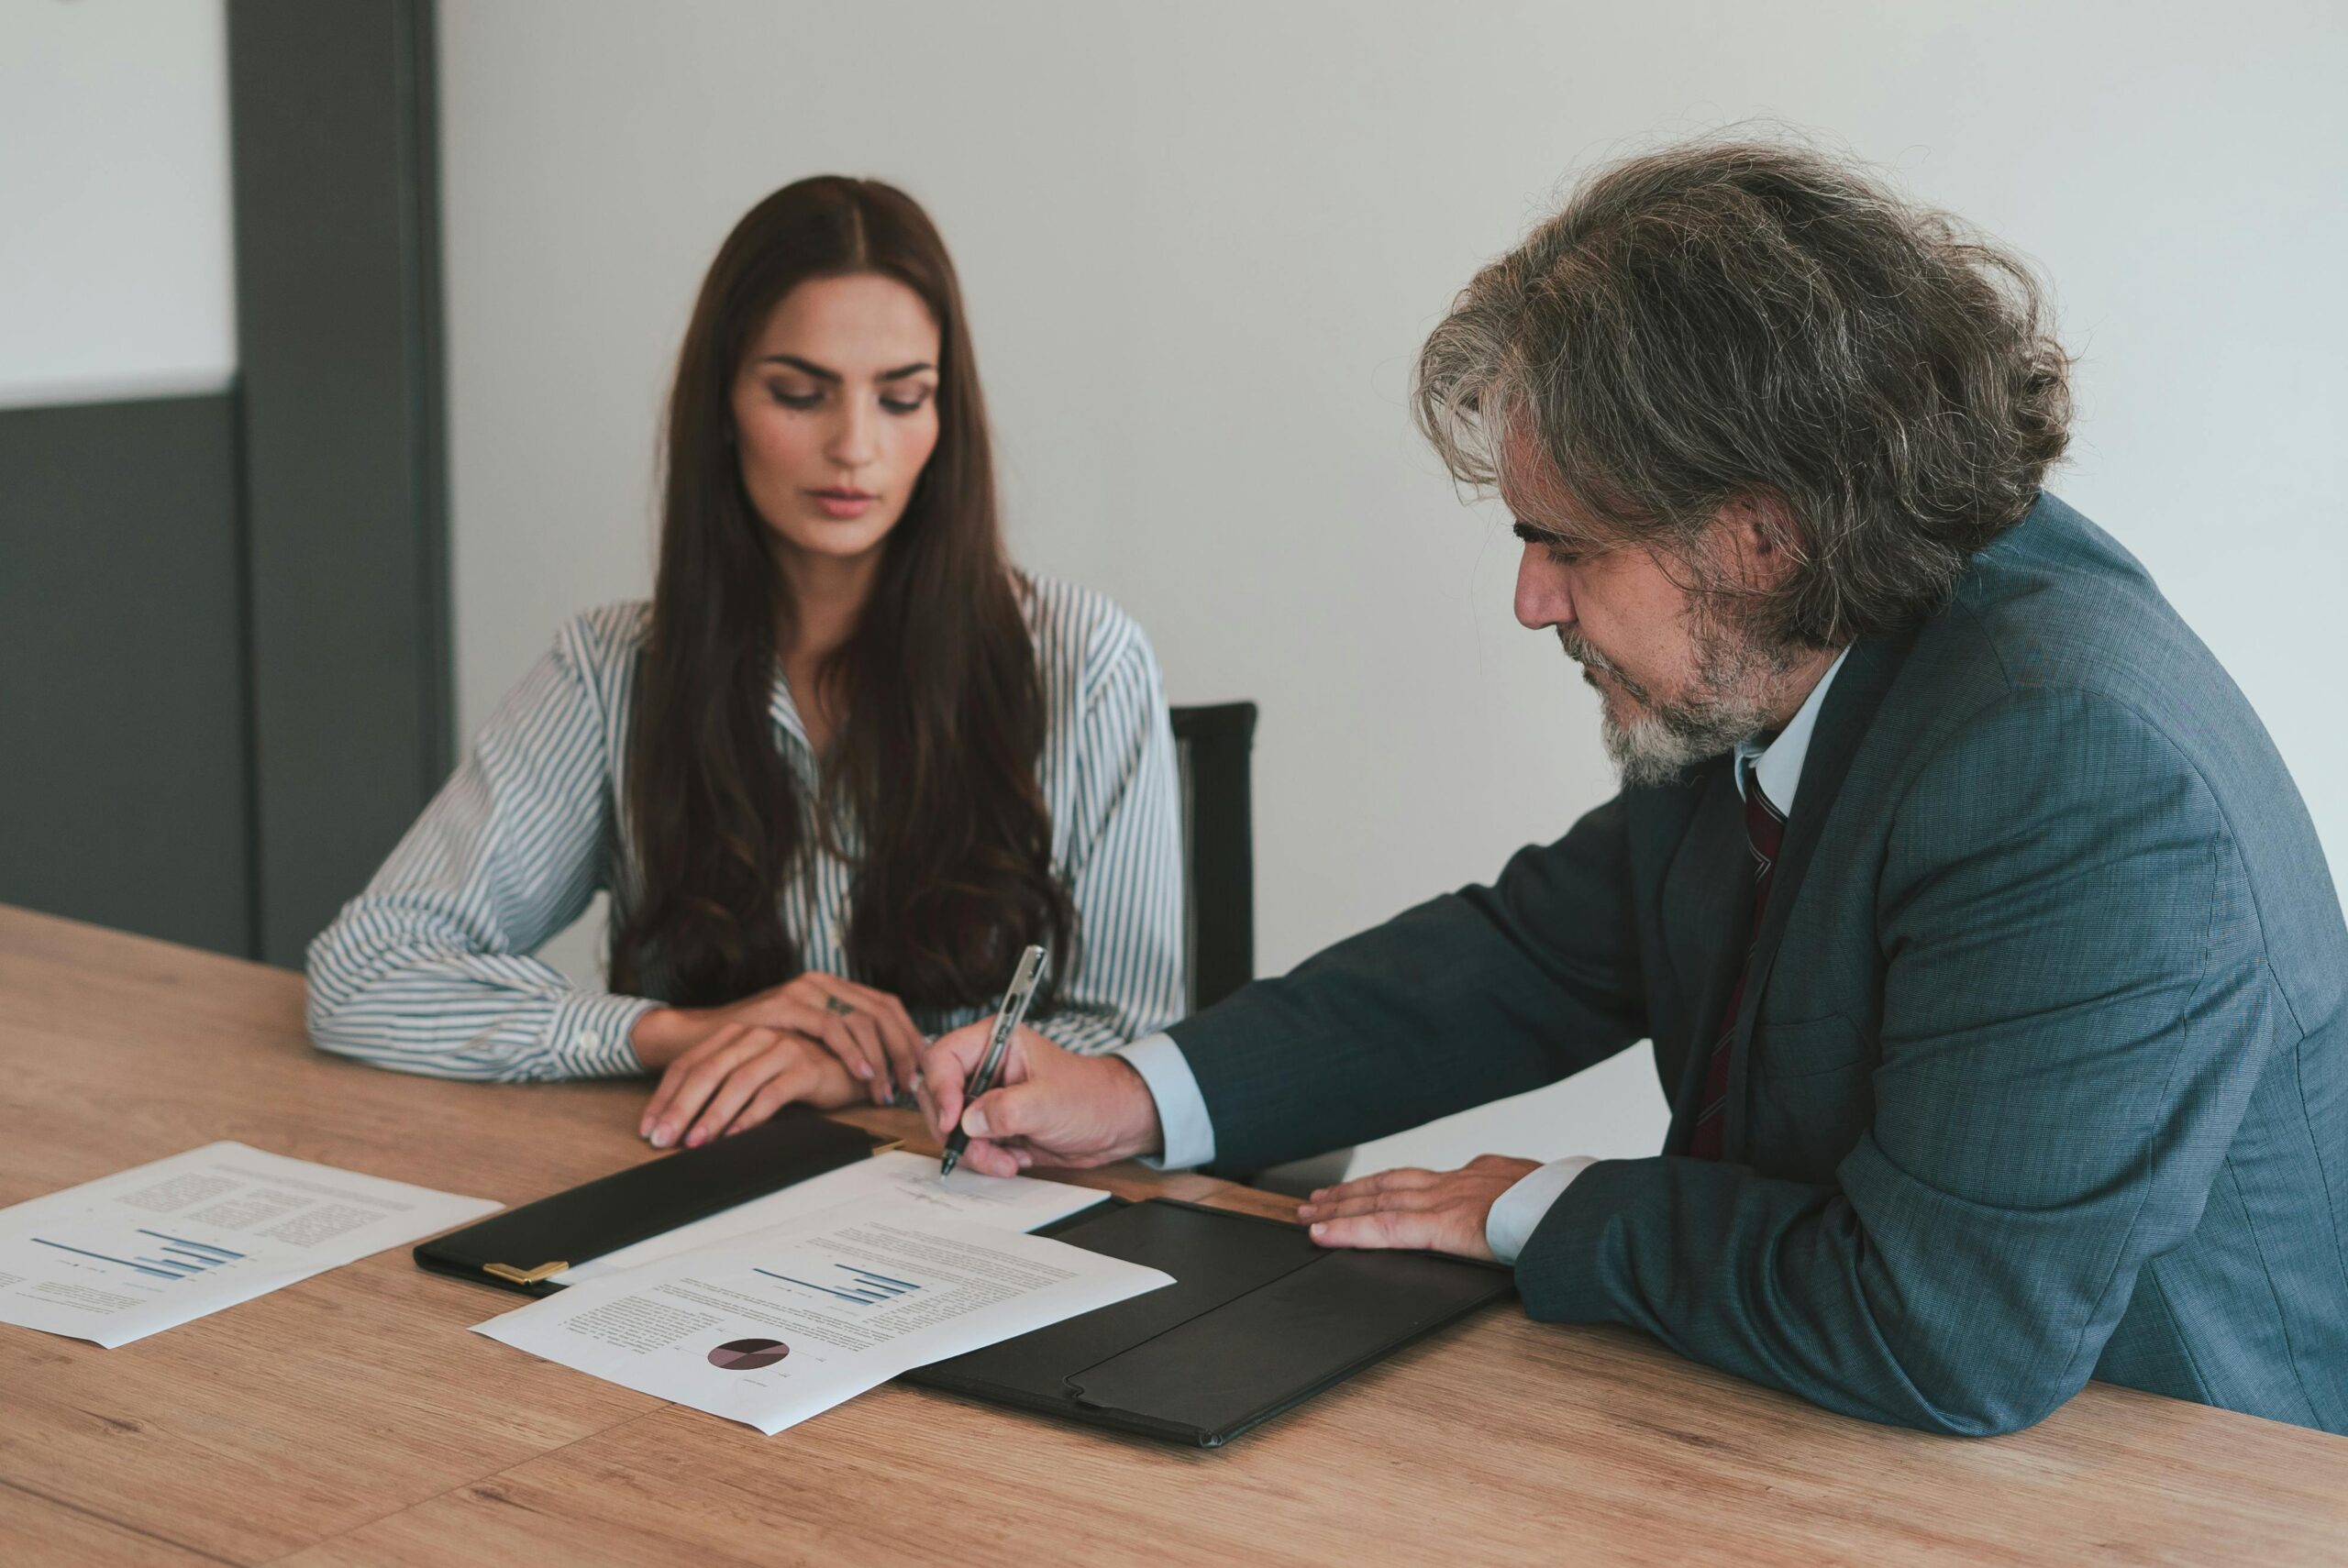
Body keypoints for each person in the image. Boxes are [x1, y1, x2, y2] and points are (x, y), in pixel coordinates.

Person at [916, 141, 2348, 1438]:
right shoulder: (1807, 629)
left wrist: (1530, 1204)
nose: (1531, 599)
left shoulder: (2076, 771)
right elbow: (1538, 949)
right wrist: (1133, 1090)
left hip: (2165, 1472)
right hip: (1843, 1430)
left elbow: (1945, 1331)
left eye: (1565, 545)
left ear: (1762, 537)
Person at [308, 177, 1185, 1152]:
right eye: (799, 394)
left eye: (902, 397)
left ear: (946, 422)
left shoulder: (1083, 661)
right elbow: (365, 973)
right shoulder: (612, 670)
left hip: (981, 1209)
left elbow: (1127, 1047)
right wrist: (683, 1031)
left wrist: (858, 1074)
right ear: (722, 403)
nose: (855, 446)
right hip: (696, 1193)